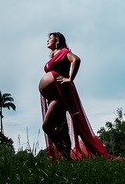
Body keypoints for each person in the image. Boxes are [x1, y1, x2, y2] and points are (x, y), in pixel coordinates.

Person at [39, 32, 118, 160]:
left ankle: (67, 157)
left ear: (57, 40)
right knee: (61, 128)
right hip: (53, 95)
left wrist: (70, 78)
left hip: (61, 93)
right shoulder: (53, 56)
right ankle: (68, 160)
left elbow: (76, 59)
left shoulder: (64, 52)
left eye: (50, 38)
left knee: (47, 125)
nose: (47, 40)